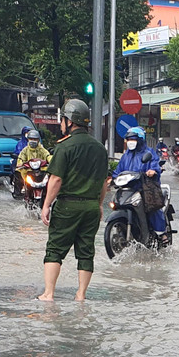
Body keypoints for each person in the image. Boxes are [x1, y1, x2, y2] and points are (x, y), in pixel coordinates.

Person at [38, 98, 109, 302]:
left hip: (68, 205)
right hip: (91, 207)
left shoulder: (64, 147)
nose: (61, 124)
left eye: (63, 120)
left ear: (70, 121)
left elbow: (56, 179)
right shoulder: (99, 149)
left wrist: (46, 205)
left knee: (55, 249)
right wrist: (98, 205)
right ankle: (81, 295)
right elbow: (104, 181)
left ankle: (49, 294)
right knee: (86, 251)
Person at [115, 125, 165, 237]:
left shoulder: (149, 153)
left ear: (140, 140)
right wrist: (112, 178)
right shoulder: (126, 156)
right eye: (128, 139)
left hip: (145, 187)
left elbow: (155, 165)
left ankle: (161, 233)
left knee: (152, 206)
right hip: (128, 189)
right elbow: (118, 170)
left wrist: (152, 170)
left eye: (133, 139)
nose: (130, 142)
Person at [13, 128, 51, 197]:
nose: (33, 141)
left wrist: (51, 161)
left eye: (35, 139)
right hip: (28, 170)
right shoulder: (25, 150)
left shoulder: (41, 149)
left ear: (38, 140)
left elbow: (47, 155)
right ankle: (23, 187)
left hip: (40, 171)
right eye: (31, 139)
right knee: (19, 173)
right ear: (28, 139)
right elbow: (21, 157)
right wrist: (20, 163)